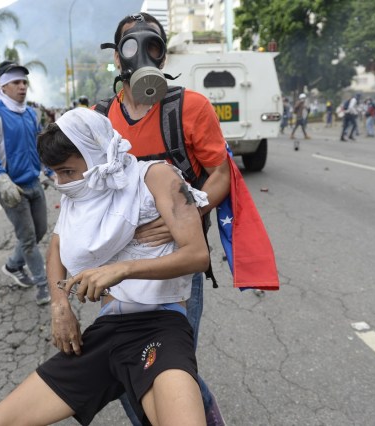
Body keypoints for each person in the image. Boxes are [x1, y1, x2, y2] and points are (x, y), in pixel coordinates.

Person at [0, 107, 210, 426]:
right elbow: (56, 250)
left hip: (159, 324)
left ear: (95, 154)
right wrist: (60, 307)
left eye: (68, 172)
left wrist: (124, 268)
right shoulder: (80, 194)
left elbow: (197, 255)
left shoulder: (156, 177)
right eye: (56, 174)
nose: (63, 182)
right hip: (105, 331)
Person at [95, 12, 230, 425]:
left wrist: (187, 215)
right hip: (118, 262)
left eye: (151, 45)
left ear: (162, 52)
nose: (141, 55)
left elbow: (220, 172)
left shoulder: (191, 107)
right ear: (118, 59)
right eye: (130, 46)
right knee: (126, 357)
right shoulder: (101, 117)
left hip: (177, 263)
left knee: (168, 358)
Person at [0, 61, 52, 306]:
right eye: (16, 83)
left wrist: (49, 170)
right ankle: (42, 285)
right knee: (29, 238)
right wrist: (0, 179)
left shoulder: (30, 113)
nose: (22, 87)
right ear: (4, 86)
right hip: (12, 188)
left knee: (40, 230)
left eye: (24, 82)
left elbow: (40, 145)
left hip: (34, 183)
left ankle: (12, 265)